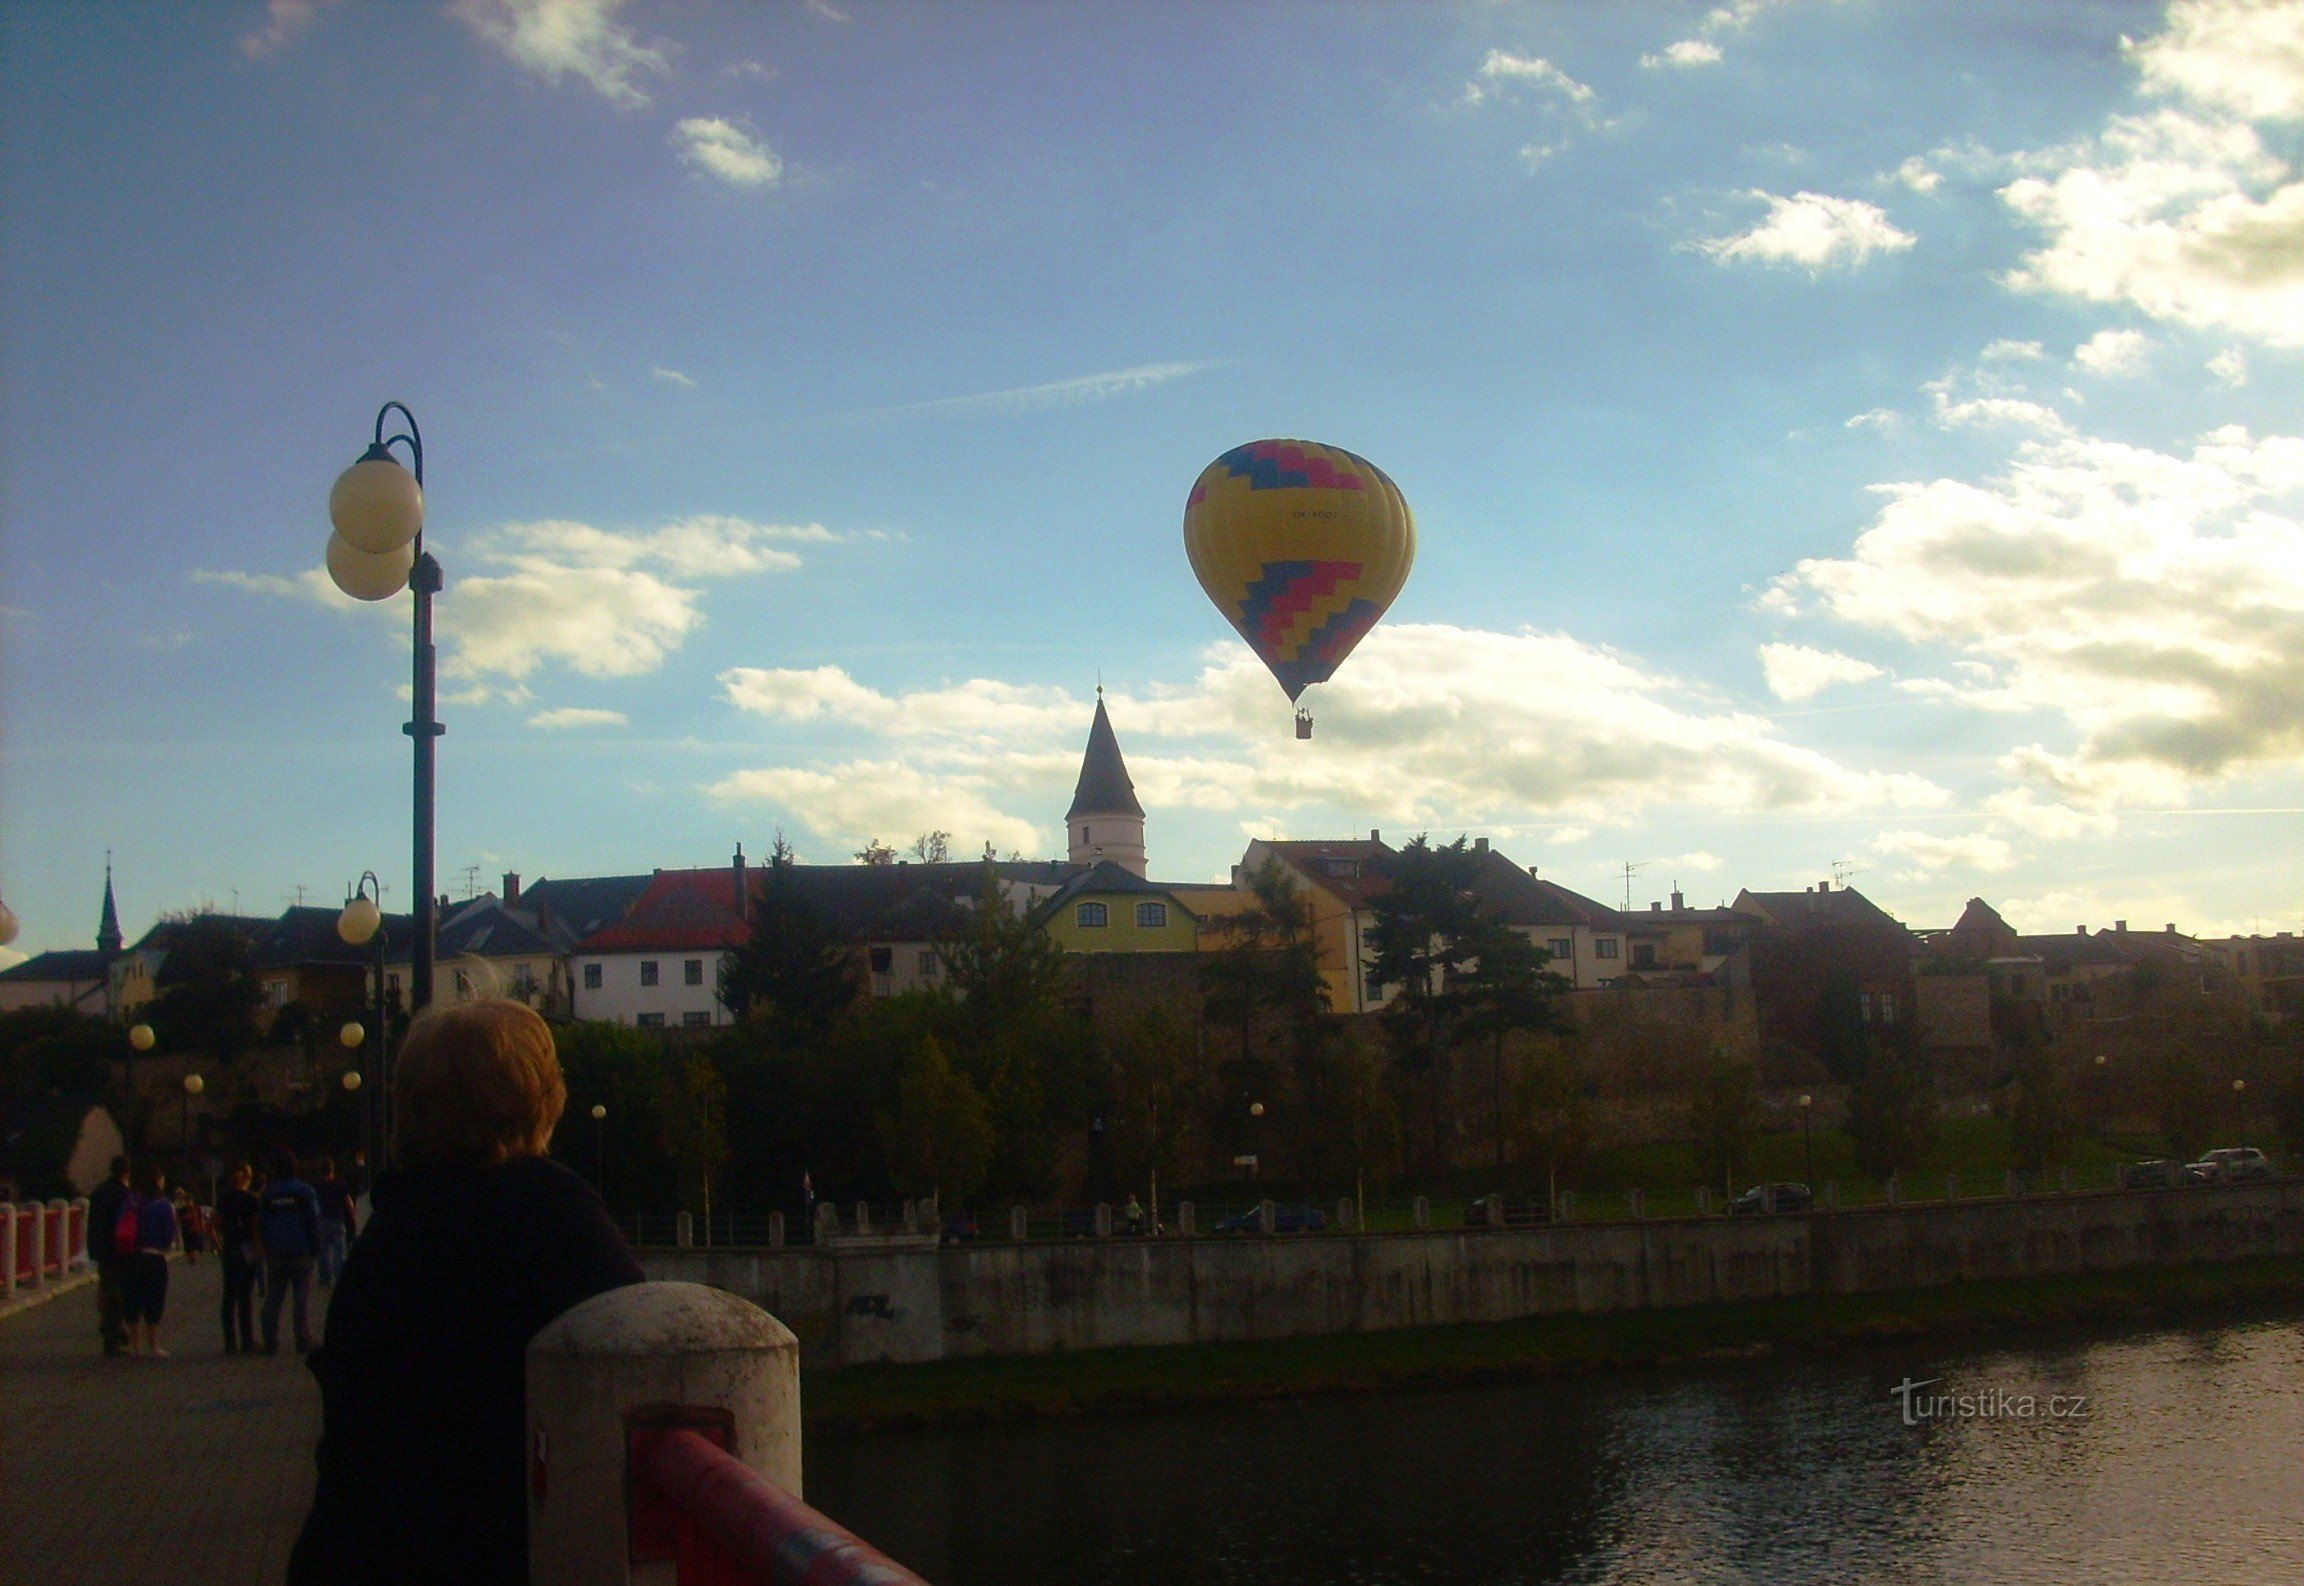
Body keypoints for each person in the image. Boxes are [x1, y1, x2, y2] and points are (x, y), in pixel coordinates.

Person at [290, 1000, 642, 1585]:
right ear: (538, 1100)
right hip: (481, 1552)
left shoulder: (392, 1222)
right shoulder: (548, 1211)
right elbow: (641, 1338)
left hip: (352, 1549)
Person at [259, 1147, 324, 1355]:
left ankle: (270, 1340)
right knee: (301, 1300)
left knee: (273, 1299)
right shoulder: (304, 1191)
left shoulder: (268, 1193)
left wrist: (267, 1247)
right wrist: (316, 1247)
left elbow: (262, 1223)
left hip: (276, 1253)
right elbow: (314, 1220)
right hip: (301, 1251)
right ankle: (302, 1340)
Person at [125, 1167, 178, 1357]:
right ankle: (154, 1345)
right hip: (155, 1257)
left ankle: (134, 1344)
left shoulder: (132, 1202)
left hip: (132, 1257)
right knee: (154, 1301)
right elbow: (169, 1236)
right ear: (159, 1181)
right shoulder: (164, 1205)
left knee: (133, 1300)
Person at [86, 1155, 134, 1358]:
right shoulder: (124, 1195)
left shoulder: (99, 1191)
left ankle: (110, 1329)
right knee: (118, 1295)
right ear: (127, 1172)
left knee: (107, 1288)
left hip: (101, 1249)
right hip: (119, 1250)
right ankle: (112, 1339)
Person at [216, 1162, 263, 1353]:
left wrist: (220, 1243)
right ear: (245, 1178)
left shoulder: (224, 1199)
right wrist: (260, 1249)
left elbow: (215, 1224)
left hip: (229, 1248)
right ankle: (247, 1340)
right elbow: (255, 1228)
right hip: (247, 1249)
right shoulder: (252, 1200)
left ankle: (229, 1342)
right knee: (245, 1297)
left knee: (229, 1296)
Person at [314, 1156, 357, 1286]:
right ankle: (339, 1278)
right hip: (338, 1220)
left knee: (323, 1252)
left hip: (322, 1221)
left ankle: (325, 1277)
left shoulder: (316, 1186)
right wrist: (352, 1218)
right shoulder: (340, 1184)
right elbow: (348, 1203)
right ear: (333, 1170)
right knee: (339, 1252)